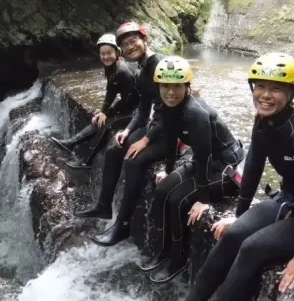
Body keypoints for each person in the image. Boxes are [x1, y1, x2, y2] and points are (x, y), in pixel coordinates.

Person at [184, 53, 294, 301]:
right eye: (260, 86)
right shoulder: (263, 121)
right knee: (233, 235)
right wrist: (239, 217)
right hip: (289, 199)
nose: (265, 95)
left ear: (292, 92)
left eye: (276, 89)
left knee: (251, 247)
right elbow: (252, 169)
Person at [140, 56, 244, 284]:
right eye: (165, 86)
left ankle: (177, 260)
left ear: (187, 86)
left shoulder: (196, 113)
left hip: (223, 165)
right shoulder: (167, 107)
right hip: (202, 159)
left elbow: (205, 157)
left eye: (177, 86)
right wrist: (168, 170)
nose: (170, 92)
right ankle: (164, 250)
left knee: (177, 200)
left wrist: (203, 199)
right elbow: (171, 140)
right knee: (162, 191)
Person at [74, 21, 170, 246]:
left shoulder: (160, 64)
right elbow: (143, 108)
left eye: (133, 41)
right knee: (114, 149)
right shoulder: (142, 69)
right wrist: (127, 131)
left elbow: (169, 111)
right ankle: (104, 206)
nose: (129, 47)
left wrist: (145, 139)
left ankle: (123, 226)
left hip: (175, 131)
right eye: (124, 44)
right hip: (159, 125)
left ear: (144, 39)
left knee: (134, 160)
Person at [50, 33, 139, 169]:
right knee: (100, 119)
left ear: (117, 52)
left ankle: (88, 162)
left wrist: (108, 113)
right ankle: (70, 143)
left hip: (138, 110)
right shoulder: (112, 67)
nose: (105, 56)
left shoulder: (123, 72)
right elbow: (111, 92)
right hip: (129, 105)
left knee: (107, 124)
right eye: (103, 54)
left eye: (109, 53)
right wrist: (103, 111)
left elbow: (128, 100)